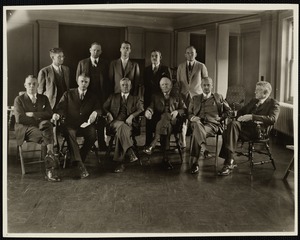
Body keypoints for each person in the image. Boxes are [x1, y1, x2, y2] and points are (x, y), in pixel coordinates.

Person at [218, 81, 280, 176]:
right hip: (246, 128)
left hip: (258, 131)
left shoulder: (273, 104)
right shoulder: (254, 101)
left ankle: (229, 160)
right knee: (232, 125)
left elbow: (272, 119)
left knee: (228, 131)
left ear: (265, 93)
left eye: (258, 91)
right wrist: (240, 118)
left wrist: (252, 117)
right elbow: (242, 111)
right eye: (256, 90)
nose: (255, 92)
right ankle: (230, 160)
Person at [54, 73, 102, 179]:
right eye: (82, 81)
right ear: (77, 81)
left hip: (85, 124)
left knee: (92, 135)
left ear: (89, 83)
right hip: (70, 124)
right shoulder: (68, 94)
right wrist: (59, 114)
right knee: (70, 133)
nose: (84, 84)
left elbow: (98, 108)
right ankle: (79, 164)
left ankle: (79, 157)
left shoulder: (92, 96)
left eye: (86, 82)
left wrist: (95, 112)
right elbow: (60, 108)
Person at [14, 75, 61, 182]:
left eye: (34, 84)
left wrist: (33, 114)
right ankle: (50, 168)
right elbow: (20, 118)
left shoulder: (43, 98)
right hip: (25, 128)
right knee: (47, 136)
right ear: (25, 85)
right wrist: (40, 117)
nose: (32, 86)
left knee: (47, 125)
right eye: (29, 84)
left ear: (38, 85)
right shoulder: (19, 99)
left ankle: (49, 157)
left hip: (42, 126)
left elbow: (49, 113)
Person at [188, 77, 231, 174]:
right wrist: (192, 118)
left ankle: (195, 163)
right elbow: (189, 113)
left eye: (208, 85)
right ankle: (204, 148)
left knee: (196, 132)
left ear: (212, 86)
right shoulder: (195, 98)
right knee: (197, 125)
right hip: (198, 123)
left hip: (212, 126)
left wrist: (221, 118)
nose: (206, 87)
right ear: (201, 86)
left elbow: (228, 111)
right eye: (204, 85)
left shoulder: (218, 97)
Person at [143, 77, 186, 170]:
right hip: (163, 123)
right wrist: (148, 111)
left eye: (166, 84)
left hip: (174, 121)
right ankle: (165, 159)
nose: (165, 86)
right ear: (160, 86)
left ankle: (153, 144)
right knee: (166, 127)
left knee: (166, 116)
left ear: (170, 85)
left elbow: (184, 109)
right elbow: (151, 107)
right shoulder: (155, 96)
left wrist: (177, 112)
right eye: (162, 84)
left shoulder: (177, 95)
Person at [103, 78, 144, 173]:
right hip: (114, 123)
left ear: (131, 86)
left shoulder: (135, 98)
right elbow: (104, 107)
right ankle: (129, 151)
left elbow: (141, 109)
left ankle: (120, 163)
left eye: (127, 85)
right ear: (119, 86)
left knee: (120, 133)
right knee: (121, 126)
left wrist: (132, 116)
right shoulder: (113, 97)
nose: (125, 86)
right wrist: (108, 113)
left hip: (128, 124)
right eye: (123, 85)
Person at [76, 42, 110, 151]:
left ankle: (101, 143)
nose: (96, 52)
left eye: (98, 50)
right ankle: (89, 143)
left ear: (101, 51)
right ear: (90, 50)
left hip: (101, 97)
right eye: (94, 50)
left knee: (100, 120)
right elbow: (78, 79)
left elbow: (108, 81)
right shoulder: (82, 63)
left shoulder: (105, 64)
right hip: (86, 97)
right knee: (87, 119)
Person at [177, 46, 208, 149]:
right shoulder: (180, 67)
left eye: (192, 53)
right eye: (188, 53)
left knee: (195, 119)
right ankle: (183, 142)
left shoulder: (201, 66)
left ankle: (198, 145)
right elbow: (178, 84)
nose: (190, 55)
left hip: (197, 97)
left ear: (196, 54)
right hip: (183, 96)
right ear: (185, 54)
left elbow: (206, 83)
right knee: (183, 119)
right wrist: (179, 97)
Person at [144, 50, 171, 146]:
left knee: (161, 119)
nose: (154, 58)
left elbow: (168, 84)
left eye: (156, 56)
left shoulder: (165, 69)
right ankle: (148, 144)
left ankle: (164, 144)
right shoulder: (146, 70)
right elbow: (144, 86)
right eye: (152, 56)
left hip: (161, 100)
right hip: (148, 99)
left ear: (160, 57)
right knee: (149, 120)